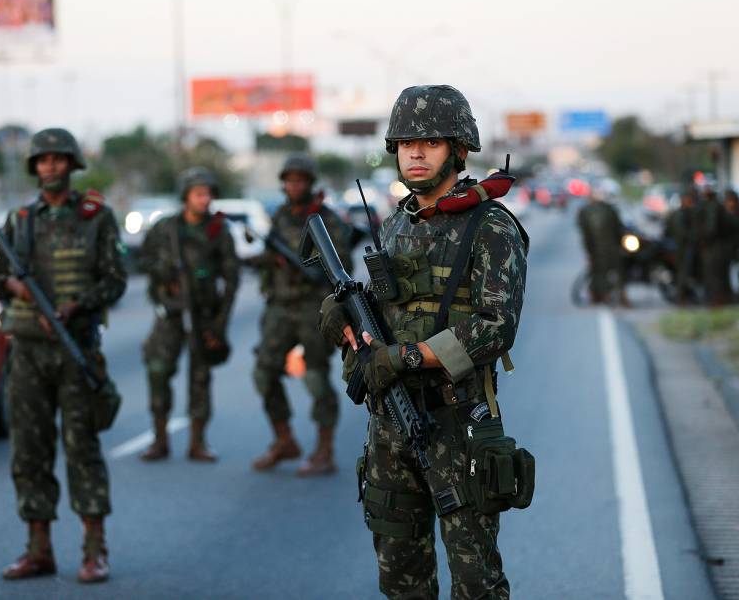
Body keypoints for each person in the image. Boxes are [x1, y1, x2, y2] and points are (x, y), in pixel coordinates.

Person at [319, 85, 529, 599]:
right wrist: (345, 318)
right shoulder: (395, 225)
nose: (415, 152)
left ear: (458, 150)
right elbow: (384, 314)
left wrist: (407, 356)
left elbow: (495, 325)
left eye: (431, 142)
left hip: (457, 424)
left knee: (476, 583)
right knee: (400, 579)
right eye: (406, 142)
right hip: (391, 427)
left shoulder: (490, 227)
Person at [0, 128, 127, 583]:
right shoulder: (21, 220)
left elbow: (116, 279)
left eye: (57, 159)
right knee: (28, 450)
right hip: (28, 348)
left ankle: (93, 549)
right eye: (42, 160)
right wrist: (18, 286)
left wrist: (77, 305)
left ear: (71, 164)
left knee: (81, 448)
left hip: (76, 346)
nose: (49, 166)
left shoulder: (96, 217)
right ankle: (38, 548)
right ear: (34, 167)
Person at [251, 153, 352, 476]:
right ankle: (284, 440)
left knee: (315, 376)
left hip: (313, 308)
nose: (294, 186)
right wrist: (270, 261)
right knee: (263, 372)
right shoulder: (280, 217)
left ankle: (325, 450)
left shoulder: (327, 220)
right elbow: (268, 256)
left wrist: (307, 265)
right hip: (280, 306)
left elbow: (341, 268)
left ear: (310, 183)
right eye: (289, 180)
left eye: (300, 180)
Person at [136, 167, 239, 462]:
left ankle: (197, 442)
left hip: (204, 314)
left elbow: (232, 279)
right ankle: (159, 439)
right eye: (198, 194)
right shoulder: (165, 228)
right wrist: (162, 272)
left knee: (201, 377)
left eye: (208, 194)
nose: (204, 200)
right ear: (186, 197)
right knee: (157, 370)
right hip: (170, 314)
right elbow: (142, 259)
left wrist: (220, 323)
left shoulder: (218, 231)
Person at [576, 188, 626, 304]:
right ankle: (618, 295)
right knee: (616, 270)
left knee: (599, 272)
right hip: (611, 247)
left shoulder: (586, 211)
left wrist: (588, 250)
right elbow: (619, 229)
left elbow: (585, 234)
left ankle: (603, 296)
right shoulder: (609, 209)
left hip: (597, 248)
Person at [697, 187, 733, 305]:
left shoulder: (713, 207)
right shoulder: (716, 206)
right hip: (718, 245)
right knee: (717, 273)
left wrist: (704, 240)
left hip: (715, 245)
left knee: (715, 273)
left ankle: (718, 299)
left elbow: (711, 229)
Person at [664, 189, 700, 304]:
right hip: (681, 248)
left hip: (680, 247)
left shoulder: (682, 213)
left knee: (683, 273)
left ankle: (683, 296)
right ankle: (681, 298)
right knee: (683, 273)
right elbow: (682, 233)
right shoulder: (680, 215)